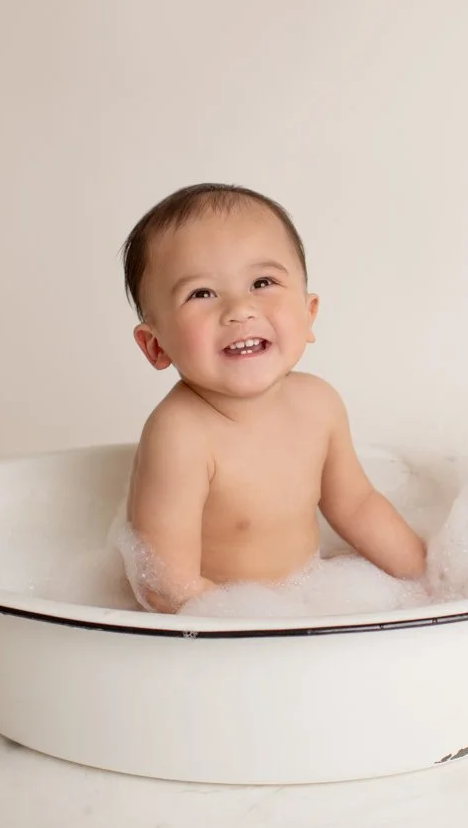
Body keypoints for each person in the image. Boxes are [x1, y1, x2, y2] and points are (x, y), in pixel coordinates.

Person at [119, 183, 426, 612]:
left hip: (299, 601)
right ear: (156, 347)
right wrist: (259, 625)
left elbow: (357, 506)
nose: (239, 309)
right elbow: (166, 584)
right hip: (211, 630)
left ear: (309, 313)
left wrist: (429, 578)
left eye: (262, 282)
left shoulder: (319, 405)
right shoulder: (180, 434)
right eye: (201, 293)